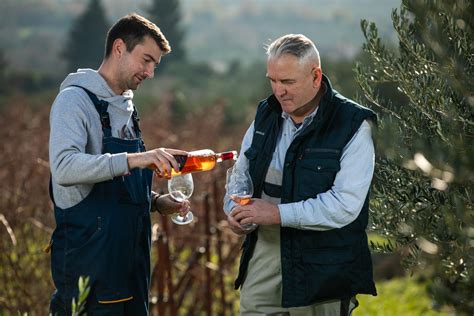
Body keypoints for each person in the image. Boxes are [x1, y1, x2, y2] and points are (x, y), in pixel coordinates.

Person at [224, 34, 377, 315]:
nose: (278, 91)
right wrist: (234, 213)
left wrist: (276, 214)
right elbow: (241, 176)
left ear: (316, 76)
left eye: (288, 82)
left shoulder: (353, 125)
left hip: (323, 264)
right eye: (273, 80)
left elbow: (345, 206)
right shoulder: (265, 115)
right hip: (265, 253)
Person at [48, 13, 189, 315]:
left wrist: (156, 201)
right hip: (91, 274)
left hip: (131, 273)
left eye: (155, 65)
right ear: (119, 48)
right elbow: (64, 167)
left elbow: (113, 186)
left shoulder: (126, 106)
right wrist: (138, 158)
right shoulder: (74, 101)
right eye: (146, 60)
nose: (150, 72)